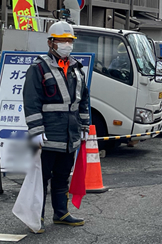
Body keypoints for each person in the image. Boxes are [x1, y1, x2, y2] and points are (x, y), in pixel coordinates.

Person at [23, 21, 90, 233]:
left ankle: (61, 212)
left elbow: (83, 100)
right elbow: (31, 100)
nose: (66, 44)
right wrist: (36, 131)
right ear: (51, 42)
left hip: (70, 134)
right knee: (42, 178)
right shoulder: (38, 68)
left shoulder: (77, 68)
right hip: (48, 134)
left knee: (62, 175)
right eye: (62, 40)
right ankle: (37, 215)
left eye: (69, 40)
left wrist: (85, 125)